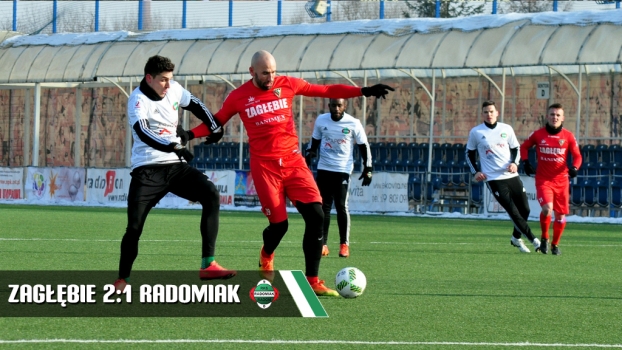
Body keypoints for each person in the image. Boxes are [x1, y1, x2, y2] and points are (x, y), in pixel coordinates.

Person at [182, 50, 393, 296]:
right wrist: (189, 135)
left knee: (316, 215)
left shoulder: (288, 84)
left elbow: (325, 90)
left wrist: (362, 91)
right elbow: (217, 120)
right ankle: (266, 254)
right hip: (265, 168)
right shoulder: (238, 97)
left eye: (273, 72)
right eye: (264, 73)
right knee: (279, 226)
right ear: (252, 72)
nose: (270, 77)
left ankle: (312, 280)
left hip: (294, 163)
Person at [114, 55, 235, 292]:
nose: (168, 85)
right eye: (162, 80)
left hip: (176, 167)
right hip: (147, 170)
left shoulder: (174, 89)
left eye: (170, 79)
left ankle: (207, 264)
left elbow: (197, 105)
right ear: (149, 78)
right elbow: (143, 132)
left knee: (210, 193)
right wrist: (174, 146)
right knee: (134, 228)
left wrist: (214, 126)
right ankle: (122, 279)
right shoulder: (137, 101)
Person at [466, 100, 541, 253]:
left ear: (497, 113)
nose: (489, 114)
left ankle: (515, 238)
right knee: (513, 211)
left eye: (491, 111)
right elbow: (469, 153)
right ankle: (534, 240)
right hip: (493, 179)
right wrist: (476, 172)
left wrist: (515, 163)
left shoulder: (506, 129)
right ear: (482, 114)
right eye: (486, 112)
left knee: (525, 209)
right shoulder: (476, 132)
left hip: (511, 175)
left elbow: (516, 148)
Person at [304, 98, 372, 258]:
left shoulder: (353, 123)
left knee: (341, 206)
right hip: (324, 168)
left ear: (345, 106)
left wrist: (368, 167)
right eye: (333, 105)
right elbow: (314, 141)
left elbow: (364, 145)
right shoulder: (321, 120)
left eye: (339, 105)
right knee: (323, 208)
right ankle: (323, 244)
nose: (336, 108)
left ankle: (344, 245)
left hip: (342, 169)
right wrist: (310, 154)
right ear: (329, 106)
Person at [520, 103, 582, 255]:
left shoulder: (568, 136)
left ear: (563, 118)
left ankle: (555, 245)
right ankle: (544, 237)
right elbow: (524, 147)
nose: (555, 117)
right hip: (544, 180)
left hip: (562, 181)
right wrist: (526, 161)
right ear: (547, 116)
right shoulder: (538, 134)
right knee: (547, 209)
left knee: (560, 216)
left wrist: (574, 168)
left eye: (558, 115)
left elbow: (577, 156)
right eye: (552, 114)